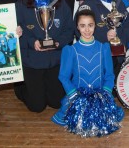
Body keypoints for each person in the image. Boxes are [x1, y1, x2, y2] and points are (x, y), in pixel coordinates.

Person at [51, 8, 124, 137]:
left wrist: (105, 93)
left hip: (100, 94)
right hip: (78, 95)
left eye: (90, 25)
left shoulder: (104, 48)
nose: (87, 30)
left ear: (95, 26)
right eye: (82, 26)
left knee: (104, 118)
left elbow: (109, 75)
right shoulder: (70, 50)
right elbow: (63, 76)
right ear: (77, 28)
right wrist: (74, 96)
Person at [15, 0, 74, 112]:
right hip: (32, 60)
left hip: (54, 59)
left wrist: (59, 42)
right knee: (37, 107)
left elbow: (69, 29)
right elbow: (16, 32)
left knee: (55, 102)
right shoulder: (21, 5)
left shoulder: (60, 3)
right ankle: (20, 88)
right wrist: (31, 42)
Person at [77, 0, 129, 78]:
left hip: (118, 55)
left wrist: (123, 44)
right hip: (97, 57)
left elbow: (127, 25)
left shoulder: (118, 2)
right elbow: (80, 31)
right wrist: (104, 36)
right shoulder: (87, 6)